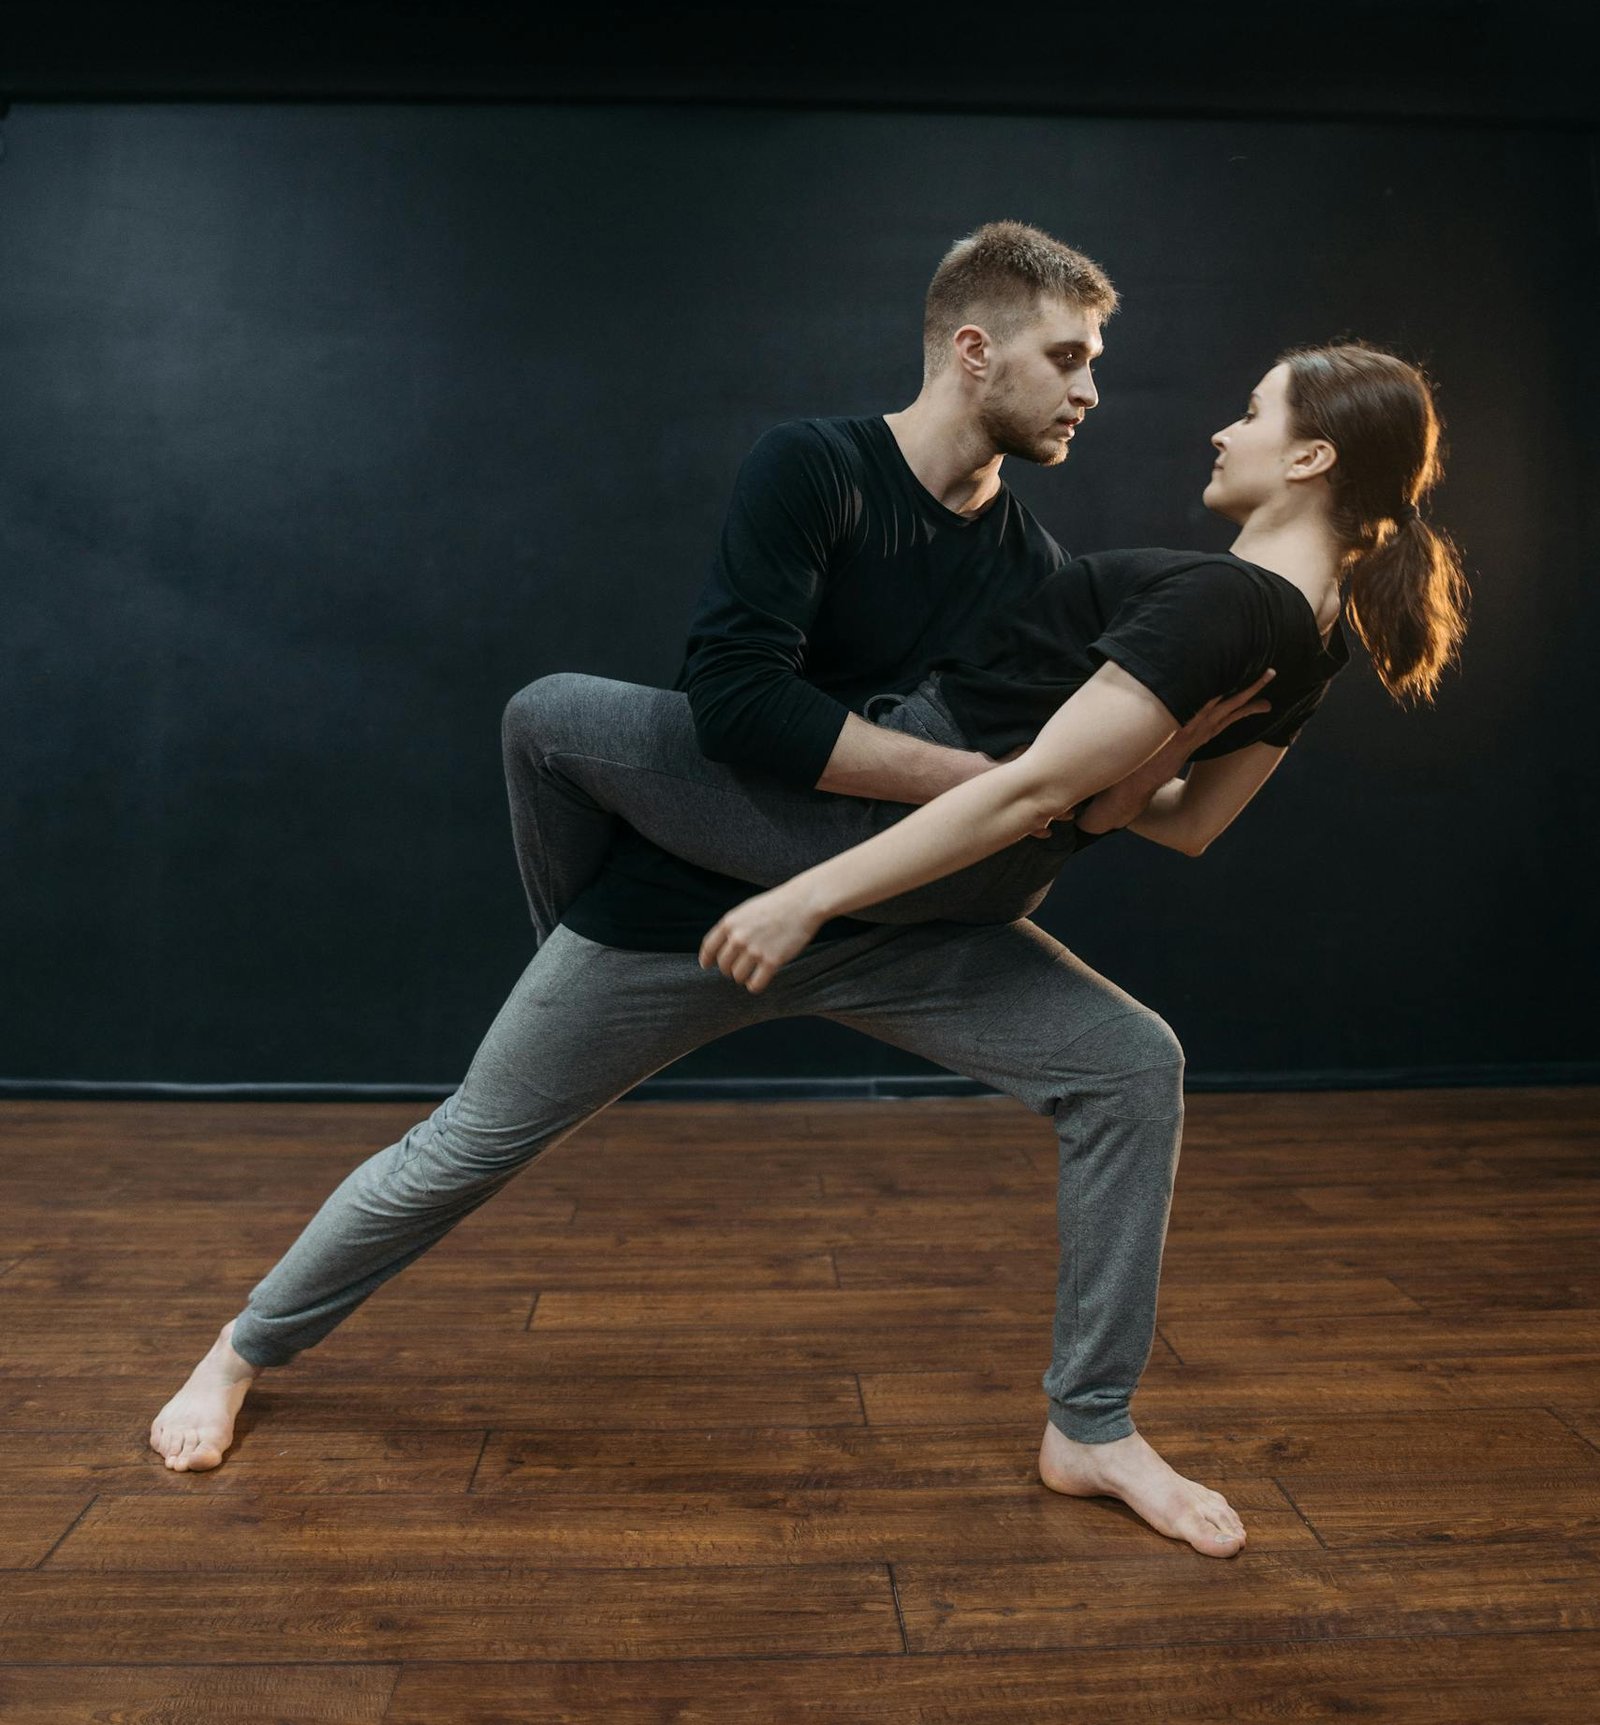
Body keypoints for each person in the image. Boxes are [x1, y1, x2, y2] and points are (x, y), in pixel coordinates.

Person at [148, 230, 1467, 1565]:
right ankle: (243, 1343)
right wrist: (1024, 781)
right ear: (975, 347)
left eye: (1098, 365)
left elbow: (1093, 799)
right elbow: (744, 709)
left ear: (1309, 459)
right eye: (1068, 357)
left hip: (905, 909)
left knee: (1131, 1065)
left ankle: (1092, 1420)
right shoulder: (817, 470)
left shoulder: (1046, 563)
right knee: (493, 1010)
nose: (1094, 391)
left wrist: (1071, 783)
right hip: (711, 904)